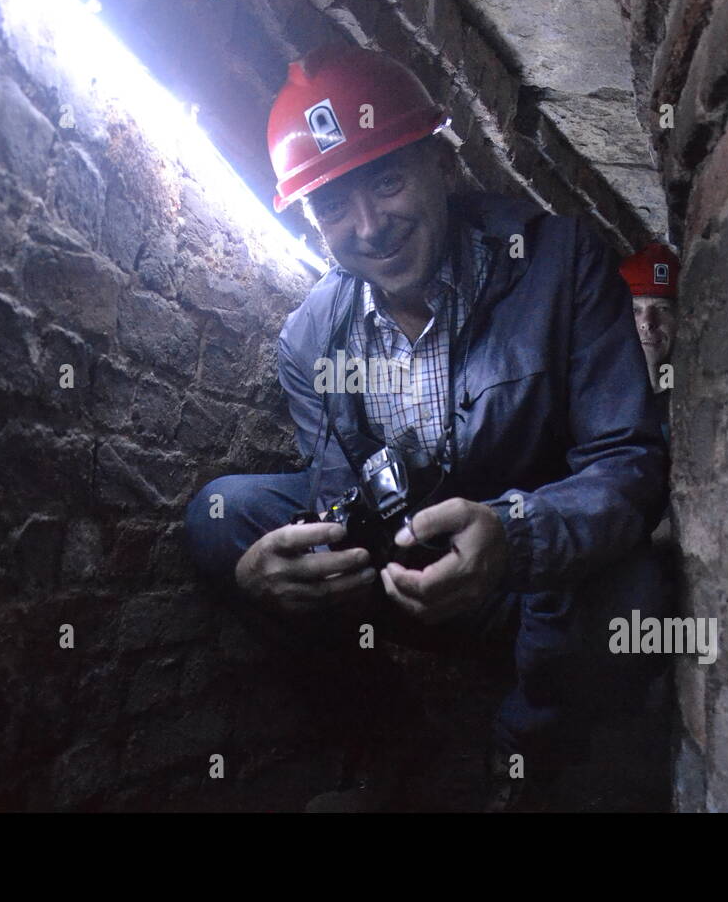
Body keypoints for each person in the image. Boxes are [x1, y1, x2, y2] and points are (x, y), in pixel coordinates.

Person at [184, 43, 670, 811]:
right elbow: (336, 494)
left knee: (636, 586)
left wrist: (515, 534)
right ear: (313, 222)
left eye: (386, 180)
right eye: (334, 205)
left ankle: (522, 773)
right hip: (406, 573)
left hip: (531, 581)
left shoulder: (558, 260)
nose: (370, 227)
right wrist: (274, 579)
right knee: (224, 519)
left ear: (439, 163)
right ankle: (393, 754)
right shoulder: (310, 338)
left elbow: (628, 463)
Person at [619, 242, 680, 443]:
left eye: (662, 308)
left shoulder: (694, 395)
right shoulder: (593, 397)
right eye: (636, 310)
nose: (647, 323)